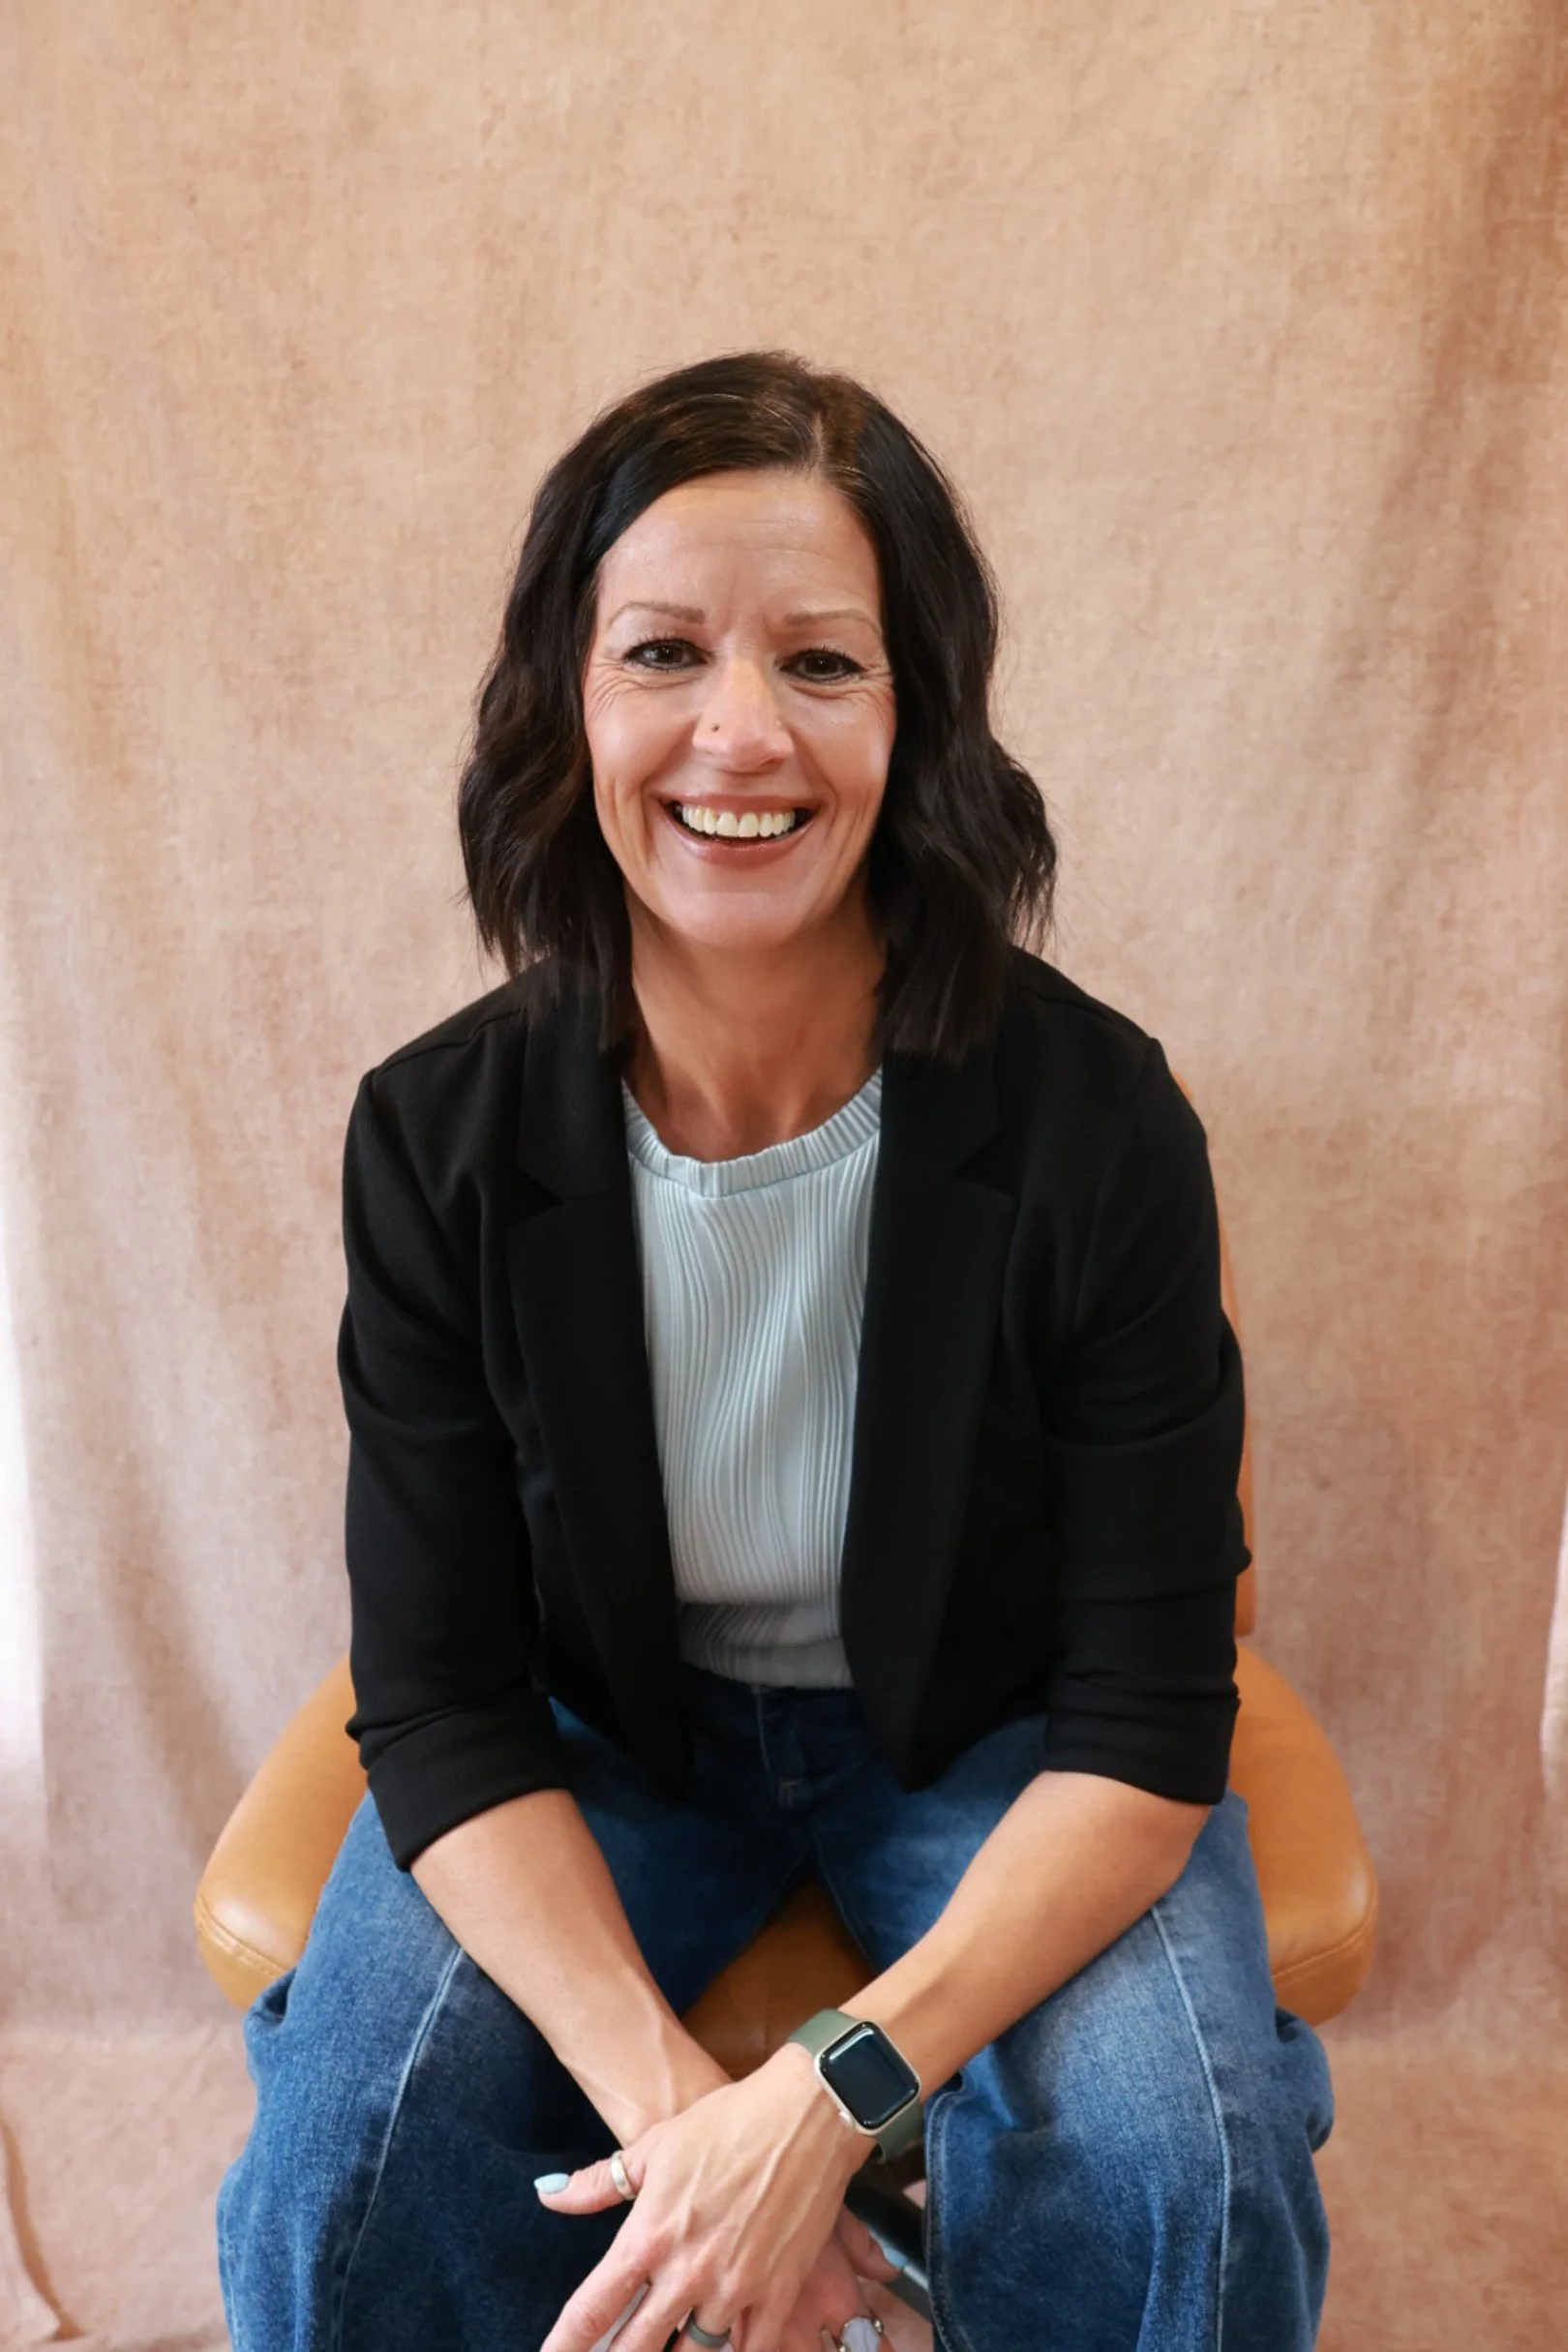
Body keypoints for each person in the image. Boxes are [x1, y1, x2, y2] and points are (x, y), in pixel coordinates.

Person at [217, 351, 1334, 2352]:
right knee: (348, 2160)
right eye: (664, 651)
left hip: (1001, 1741)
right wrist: (699, 2148)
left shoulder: (1101, 1126)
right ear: (570, 702)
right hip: (595, 1739)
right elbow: (451, 1696)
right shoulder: (435, 1140)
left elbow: (1156, 1712)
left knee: (1185, 2150)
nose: (739, 732)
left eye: (822, 662)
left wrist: (833, 2095)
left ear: (919, 721)